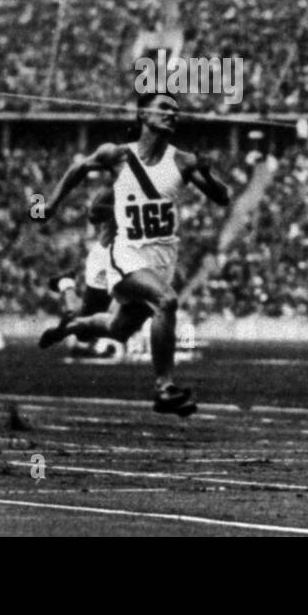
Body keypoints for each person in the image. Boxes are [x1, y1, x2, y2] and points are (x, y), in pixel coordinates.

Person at [37, 93, 230, 416]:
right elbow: (77, 168)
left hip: (161, 260)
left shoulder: (181, 160)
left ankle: (71, 325)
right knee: (166, 302)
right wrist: (50, 205)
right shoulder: (117, 155)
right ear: (143, 113)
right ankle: (165, 388)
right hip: (126, 255)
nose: (172, 114)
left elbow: (222, 197)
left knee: (118, 329)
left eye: (176, 111)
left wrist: (208, 173)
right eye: (164, 108)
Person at [41, 189, 120, 357]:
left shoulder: (144, 190)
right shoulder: (115, 192)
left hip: (125, 258)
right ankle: (66, 284)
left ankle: (66, 283)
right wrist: (121, 211)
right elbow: (94, 214)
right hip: (106, 260)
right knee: (85, 331)